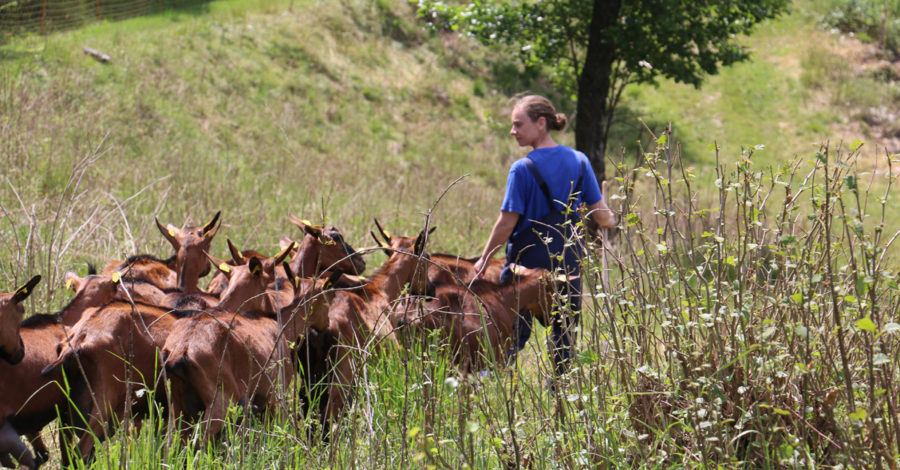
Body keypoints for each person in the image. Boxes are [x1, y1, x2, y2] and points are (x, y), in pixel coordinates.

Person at [473, 94, 616, 376]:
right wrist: (615, 217)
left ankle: (486, 387)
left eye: (518, 124)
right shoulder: (580, 161)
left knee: (509, 337)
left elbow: (506, 223)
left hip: (527, 264)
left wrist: (484, 259)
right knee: (565, 339)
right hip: (569, 260)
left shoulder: (522, 169)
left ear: (541, 123)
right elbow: (601, 216)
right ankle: (561, 399)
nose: (512, 131)